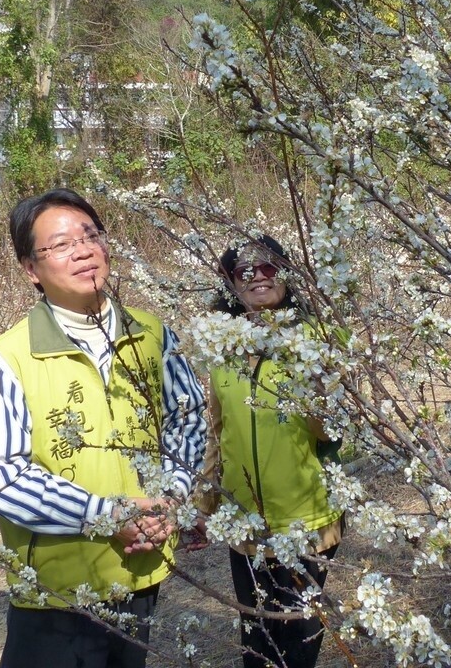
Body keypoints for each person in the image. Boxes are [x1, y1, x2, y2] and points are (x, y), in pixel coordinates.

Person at [0, 188, 206, 668]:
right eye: (59, 245)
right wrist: (108, 514)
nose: (81, 250)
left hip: (142, 566)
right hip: (54, 590)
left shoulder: (152, 334)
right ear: (30, 269)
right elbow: (1, 477)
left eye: (90, 235)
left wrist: (172, 498)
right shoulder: (8, 357)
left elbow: (188, 418)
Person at [200, 235, 346, 668]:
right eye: (244, 271)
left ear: (287, 276)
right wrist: (206, 494)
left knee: (298, 637)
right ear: (230, 285)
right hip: (244, 521)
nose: (258, 277)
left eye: (269, 267)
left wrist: (318, 378)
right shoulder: (222, 346)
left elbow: (332, 431)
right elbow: (218, 428)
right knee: (257, 636)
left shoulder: (316, 337)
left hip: (307, 518)